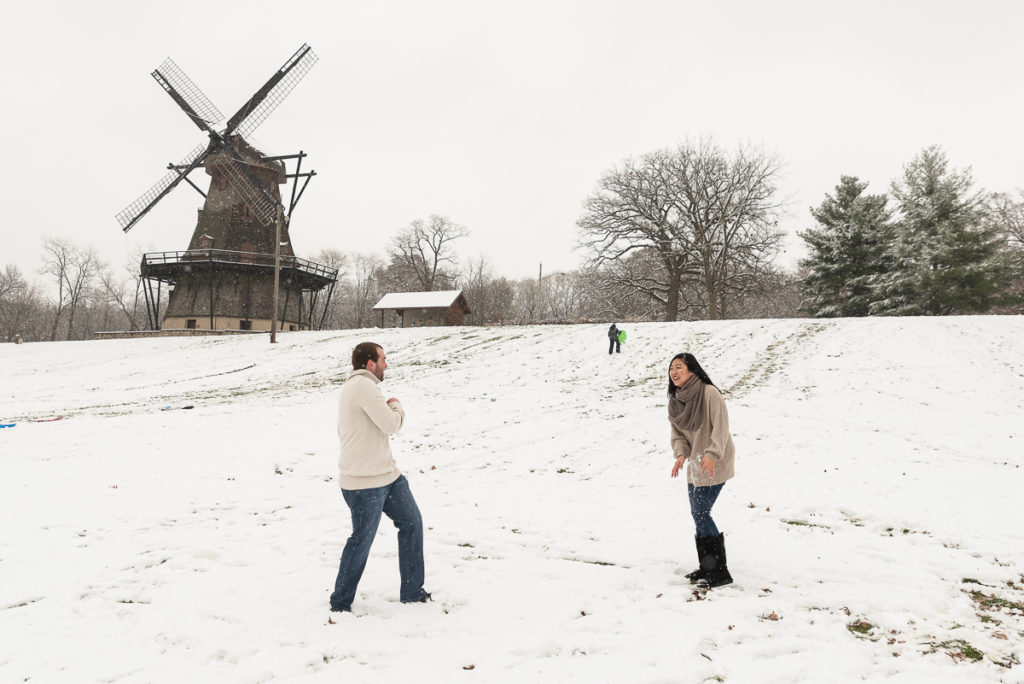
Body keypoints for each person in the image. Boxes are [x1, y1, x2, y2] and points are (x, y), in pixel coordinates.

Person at [329, 342, 430, 612]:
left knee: (412, 523)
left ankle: (412, 591)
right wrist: (396, 405)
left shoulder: (360, 387)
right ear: (369, 363)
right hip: (364, 483)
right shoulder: (362, 387)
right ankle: (340, 602)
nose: (387, 363)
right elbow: (391, 424)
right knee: (361, 540)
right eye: (383, 359)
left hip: (387, 475)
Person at [667, 353, 735, 588]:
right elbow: (678, 435)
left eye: (679, 367)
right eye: (671, 368)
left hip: (715, 461)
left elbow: (721, 428)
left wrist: (712, 454)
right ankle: (708, 567)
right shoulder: (675, 400)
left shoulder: (709, 393)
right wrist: (680, 455)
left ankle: (719, 571)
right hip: (695, 463)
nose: (674, 372)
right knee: (698, 513)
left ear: (693, 370)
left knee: (701, 511)